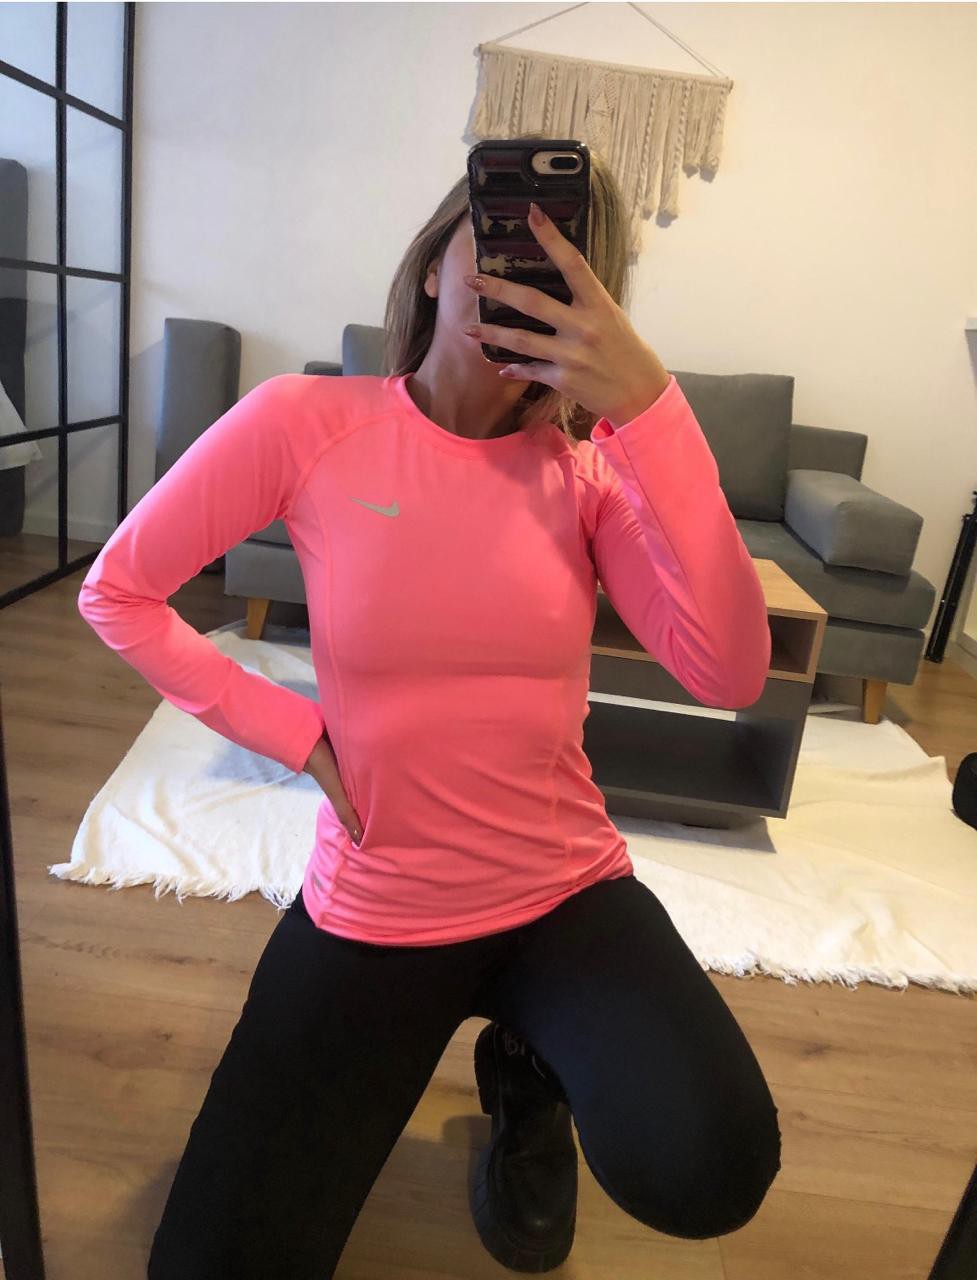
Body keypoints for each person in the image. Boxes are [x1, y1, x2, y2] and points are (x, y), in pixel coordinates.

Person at [77, 140, 781, 1280]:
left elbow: (730, 671)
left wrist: (650, 406)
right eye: (496, 238)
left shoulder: (586, 477)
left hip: (560, 887)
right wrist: (293, 732)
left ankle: (529, 1071)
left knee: (709, 1163)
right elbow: (117, 592)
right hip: (380, 901)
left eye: (556, 265)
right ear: (433, 261)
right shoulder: (306, 422)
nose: (513, 276)